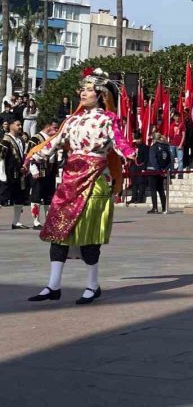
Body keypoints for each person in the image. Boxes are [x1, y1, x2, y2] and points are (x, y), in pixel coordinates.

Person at [26, 69, 137, 305]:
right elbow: (54, 144)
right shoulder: (72, 120)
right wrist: (36, 156)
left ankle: (92, 285)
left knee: (88, 236)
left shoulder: (108, 119)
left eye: (87, 89)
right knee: (57, 232)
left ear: (100, 94)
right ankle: (53, 286)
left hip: (95, 180)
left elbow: (119, 142)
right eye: (82, 89)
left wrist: (131, 153)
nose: (82, 93)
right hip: (69, 180)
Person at [26, 120, 60, 229]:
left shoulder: (54, 139)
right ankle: (36, 221)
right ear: (48, 127)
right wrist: (33, 169)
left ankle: (48, 220)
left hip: (50, 171)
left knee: (49, 196)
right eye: (55, 128)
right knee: (36, 195)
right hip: (38, 170)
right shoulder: (35, 139)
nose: (56, 131)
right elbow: (29, 155)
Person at [0, 116, 28, 229]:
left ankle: (16, 222)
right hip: (9, 172)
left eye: (20, 125)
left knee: (19, 197)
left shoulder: (20, 139)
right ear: (11, 126)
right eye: (18, 125)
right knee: (2, 197)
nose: (20, 126)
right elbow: (1, 158)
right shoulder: (6, 140)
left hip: (19, 173)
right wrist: (2, 174)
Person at [146, 132, 171, 214]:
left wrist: (158, 169)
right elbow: (170, 160)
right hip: (162, 171)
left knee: (153, 190)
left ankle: (155, 208)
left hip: (153, 170)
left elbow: (153, 159)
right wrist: (164, 169)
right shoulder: (166, 147)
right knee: (161, 190)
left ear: (153, 139)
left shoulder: (153, 147)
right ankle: (164, 207)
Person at [169, 112, 186, 179]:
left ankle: (180, 173)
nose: (177, 118)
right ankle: (172, 173)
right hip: (172, 144)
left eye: (178, 116)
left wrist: (181, 144)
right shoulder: (171, 124)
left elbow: (183, 135)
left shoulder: (182, 125)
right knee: (171, 159)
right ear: (174, 117)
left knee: (180, 159)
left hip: (179, 144)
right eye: (176, 116)